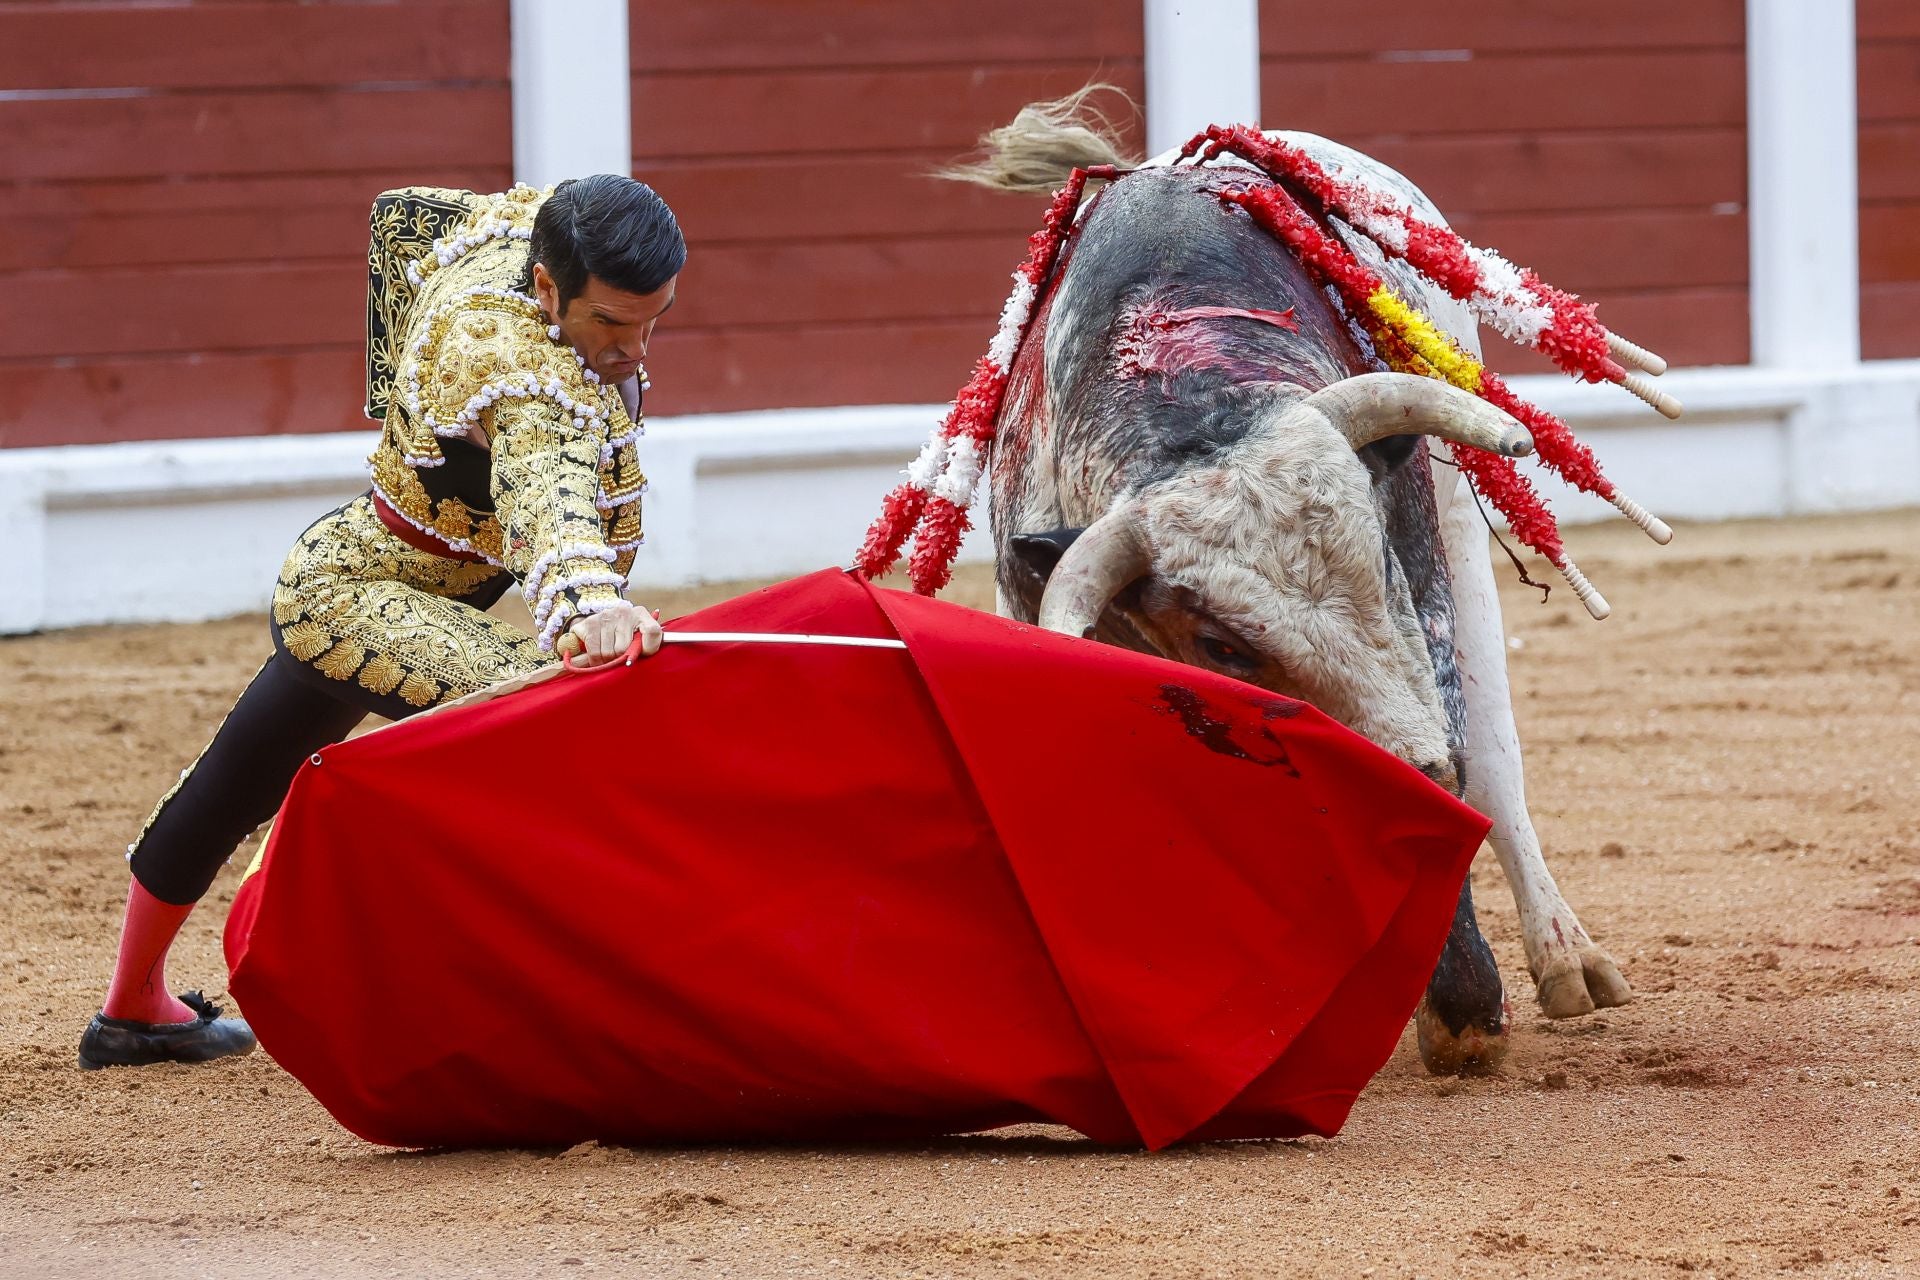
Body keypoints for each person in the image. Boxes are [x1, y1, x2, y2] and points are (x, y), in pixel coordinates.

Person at [77, 175, 686, 1069]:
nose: (633, 348)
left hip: (369, 569)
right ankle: (519, 1011)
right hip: (360, 595)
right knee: (548, 724)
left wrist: (406, 408)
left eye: (652, 320)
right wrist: (588, 604)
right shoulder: (517, 368)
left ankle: (132, 1010)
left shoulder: (526, 232)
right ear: (548, 289)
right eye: (611, 323)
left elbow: (410, 222)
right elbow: (548, 491)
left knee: (241, 772)